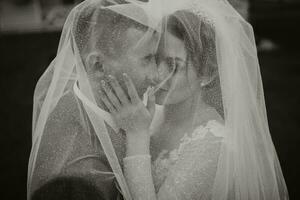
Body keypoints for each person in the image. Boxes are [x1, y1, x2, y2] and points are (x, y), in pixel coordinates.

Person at [28, 0, 289, 200]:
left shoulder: (211, 144)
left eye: (173, 65)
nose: (157, 76)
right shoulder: (146, 112)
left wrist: (138, 135)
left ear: (207, 73)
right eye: (153, 58)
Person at [28, 0, 159, 199]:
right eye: (147, 59)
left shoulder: (126, 108)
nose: (156, 76)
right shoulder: (78, 172)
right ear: (97, 65)